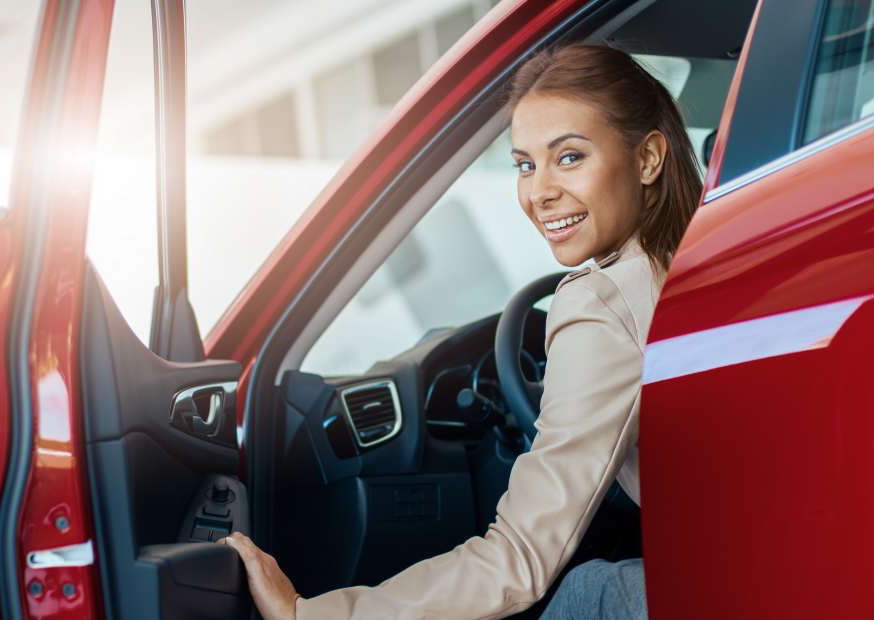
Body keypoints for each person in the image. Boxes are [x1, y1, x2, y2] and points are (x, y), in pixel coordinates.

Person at [218, 43, 702, 620]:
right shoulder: (700, 258)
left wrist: (310, 614)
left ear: (648, 158)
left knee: (585, 595)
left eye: (569, 157)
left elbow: (519, 560)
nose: (538, 192)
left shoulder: (601, 305)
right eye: (525, 164)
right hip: (786, 553)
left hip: (743, 581)